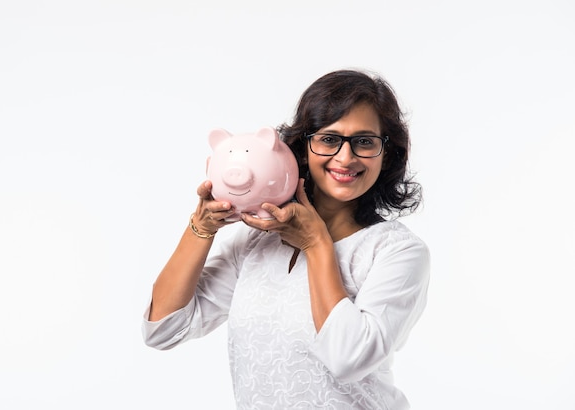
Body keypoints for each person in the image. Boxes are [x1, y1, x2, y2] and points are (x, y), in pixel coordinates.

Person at [142, 69, 430, 409]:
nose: (346, 157)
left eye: (365, 142)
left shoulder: (397, 252)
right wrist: (201, 228)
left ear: (387, 154)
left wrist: (316, 244)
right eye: (329, 139)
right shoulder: (256, 243)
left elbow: (348, 358)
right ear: (303, 148)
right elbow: (163, 329)